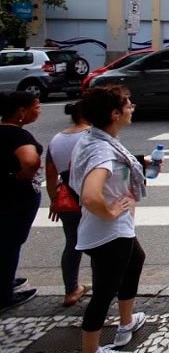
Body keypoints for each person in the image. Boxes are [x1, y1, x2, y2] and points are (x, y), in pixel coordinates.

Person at [71, 86, 152, 353]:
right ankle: (91, 349)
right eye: (128, 105)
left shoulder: (98, 138)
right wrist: (111, 212)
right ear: (115, 113)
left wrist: (142, 163)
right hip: (108, 232)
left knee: (136, 260)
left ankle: (127, 322)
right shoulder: (101, 151)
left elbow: (115, 168)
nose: (133, 107)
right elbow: (91, 195)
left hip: (114, 230)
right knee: (103, 294)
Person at [45, 101, 92, 307]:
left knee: (72, 243)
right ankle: (106, 287)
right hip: (92, 196)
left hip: (67, 198)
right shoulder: (94, 135)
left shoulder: (57, 139)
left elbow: (50, 173)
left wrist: (54, 199)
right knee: (103, 245)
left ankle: (71, 290)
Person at [0, 91, 43, 311]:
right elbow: (29, 161)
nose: (39, 109)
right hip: (17, 197)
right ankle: (4, 292)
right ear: (21, 112)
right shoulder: (18, 137)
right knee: (10, 243)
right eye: (36, 106)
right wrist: (22, 174)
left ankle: (5, 280)